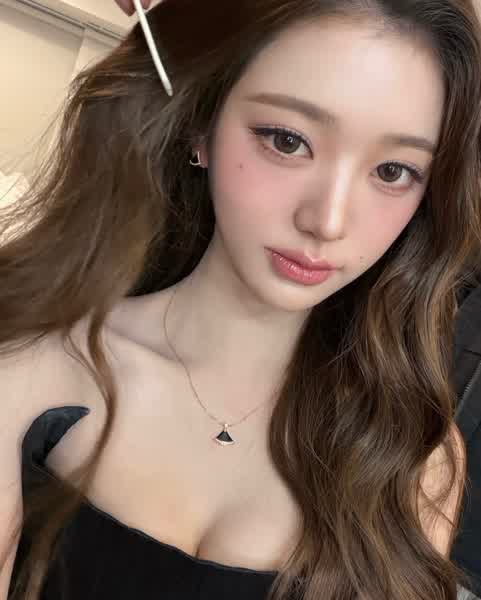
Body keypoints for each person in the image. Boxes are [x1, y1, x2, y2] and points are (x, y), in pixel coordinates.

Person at [1, 0, 481, 599]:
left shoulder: (415, 453)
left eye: (392, 171)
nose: (328, 220)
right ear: (201, 123)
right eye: (287, 140)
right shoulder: (33, 369)